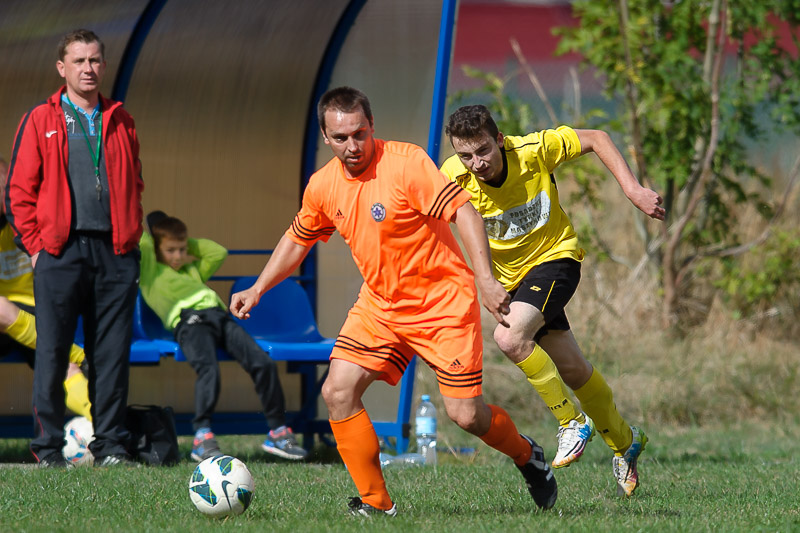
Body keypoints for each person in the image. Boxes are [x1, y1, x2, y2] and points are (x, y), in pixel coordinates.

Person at [231, 86, 557, 516]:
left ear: (372, 126)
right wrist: (258, 287)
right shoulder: (323, 186)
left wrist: (485, 279)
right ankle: (376, 502)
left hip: (442, 304)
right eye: (341, 137)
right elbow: (298, 239)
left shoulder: (406, 163)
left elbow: (464, 212)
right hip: (381, 307)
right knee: (337, 391)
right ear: (325, 138)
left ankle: (527, 455)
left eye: (359, 133)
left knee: (466, 416)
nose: (352, 145)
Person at [441, 104, 665, 497]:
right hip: (514, 284)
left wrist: (633, 189)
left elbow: (597, 138)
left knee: (509, 338)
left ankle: (571, 422)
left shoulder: (533, 150)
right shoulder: (451, 177)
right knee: (574, 369)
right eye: (466, 155)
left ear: (499, 140)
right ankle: (625, 442)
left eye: (483, 150)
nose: (477, 163)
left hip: (556, 260)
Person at [5, 30, 143, 467]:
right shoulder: (40, 119)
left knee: (111, 354)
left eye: (95, 60)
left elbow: (135, 183)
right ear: (61, 68)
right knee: (52, 352)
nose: (88, 68)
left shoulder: (121, 118)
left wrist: (130, 241)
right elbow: (18, 193)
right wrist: (35, 248)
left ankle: (111, 446)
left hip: (114, 254)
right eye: (79, 61)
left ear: (104, 65)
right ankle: (48, 450)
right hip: (59, 253)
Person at [139, 211, 309, 462]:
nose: (178, 256)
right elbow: (143, 242)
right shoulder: (150, 272)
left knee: (262, 362)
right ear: (156, 249)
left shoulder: (191, 270)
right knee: (209, 370)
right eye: (170, 250)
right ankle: (202, 436)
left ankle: (278, 431)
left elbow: (217, 252)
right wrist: (156, 242)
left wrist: (182, 241)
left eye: (182, 250)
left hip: (220, 318)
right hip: (190, 323)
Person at [0, 156, 91, 421]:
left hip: (34, 310)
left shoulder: (31, 217)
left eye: (5, 183)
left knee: (65, 368)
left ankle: (104, 423)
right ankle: (77, 353)